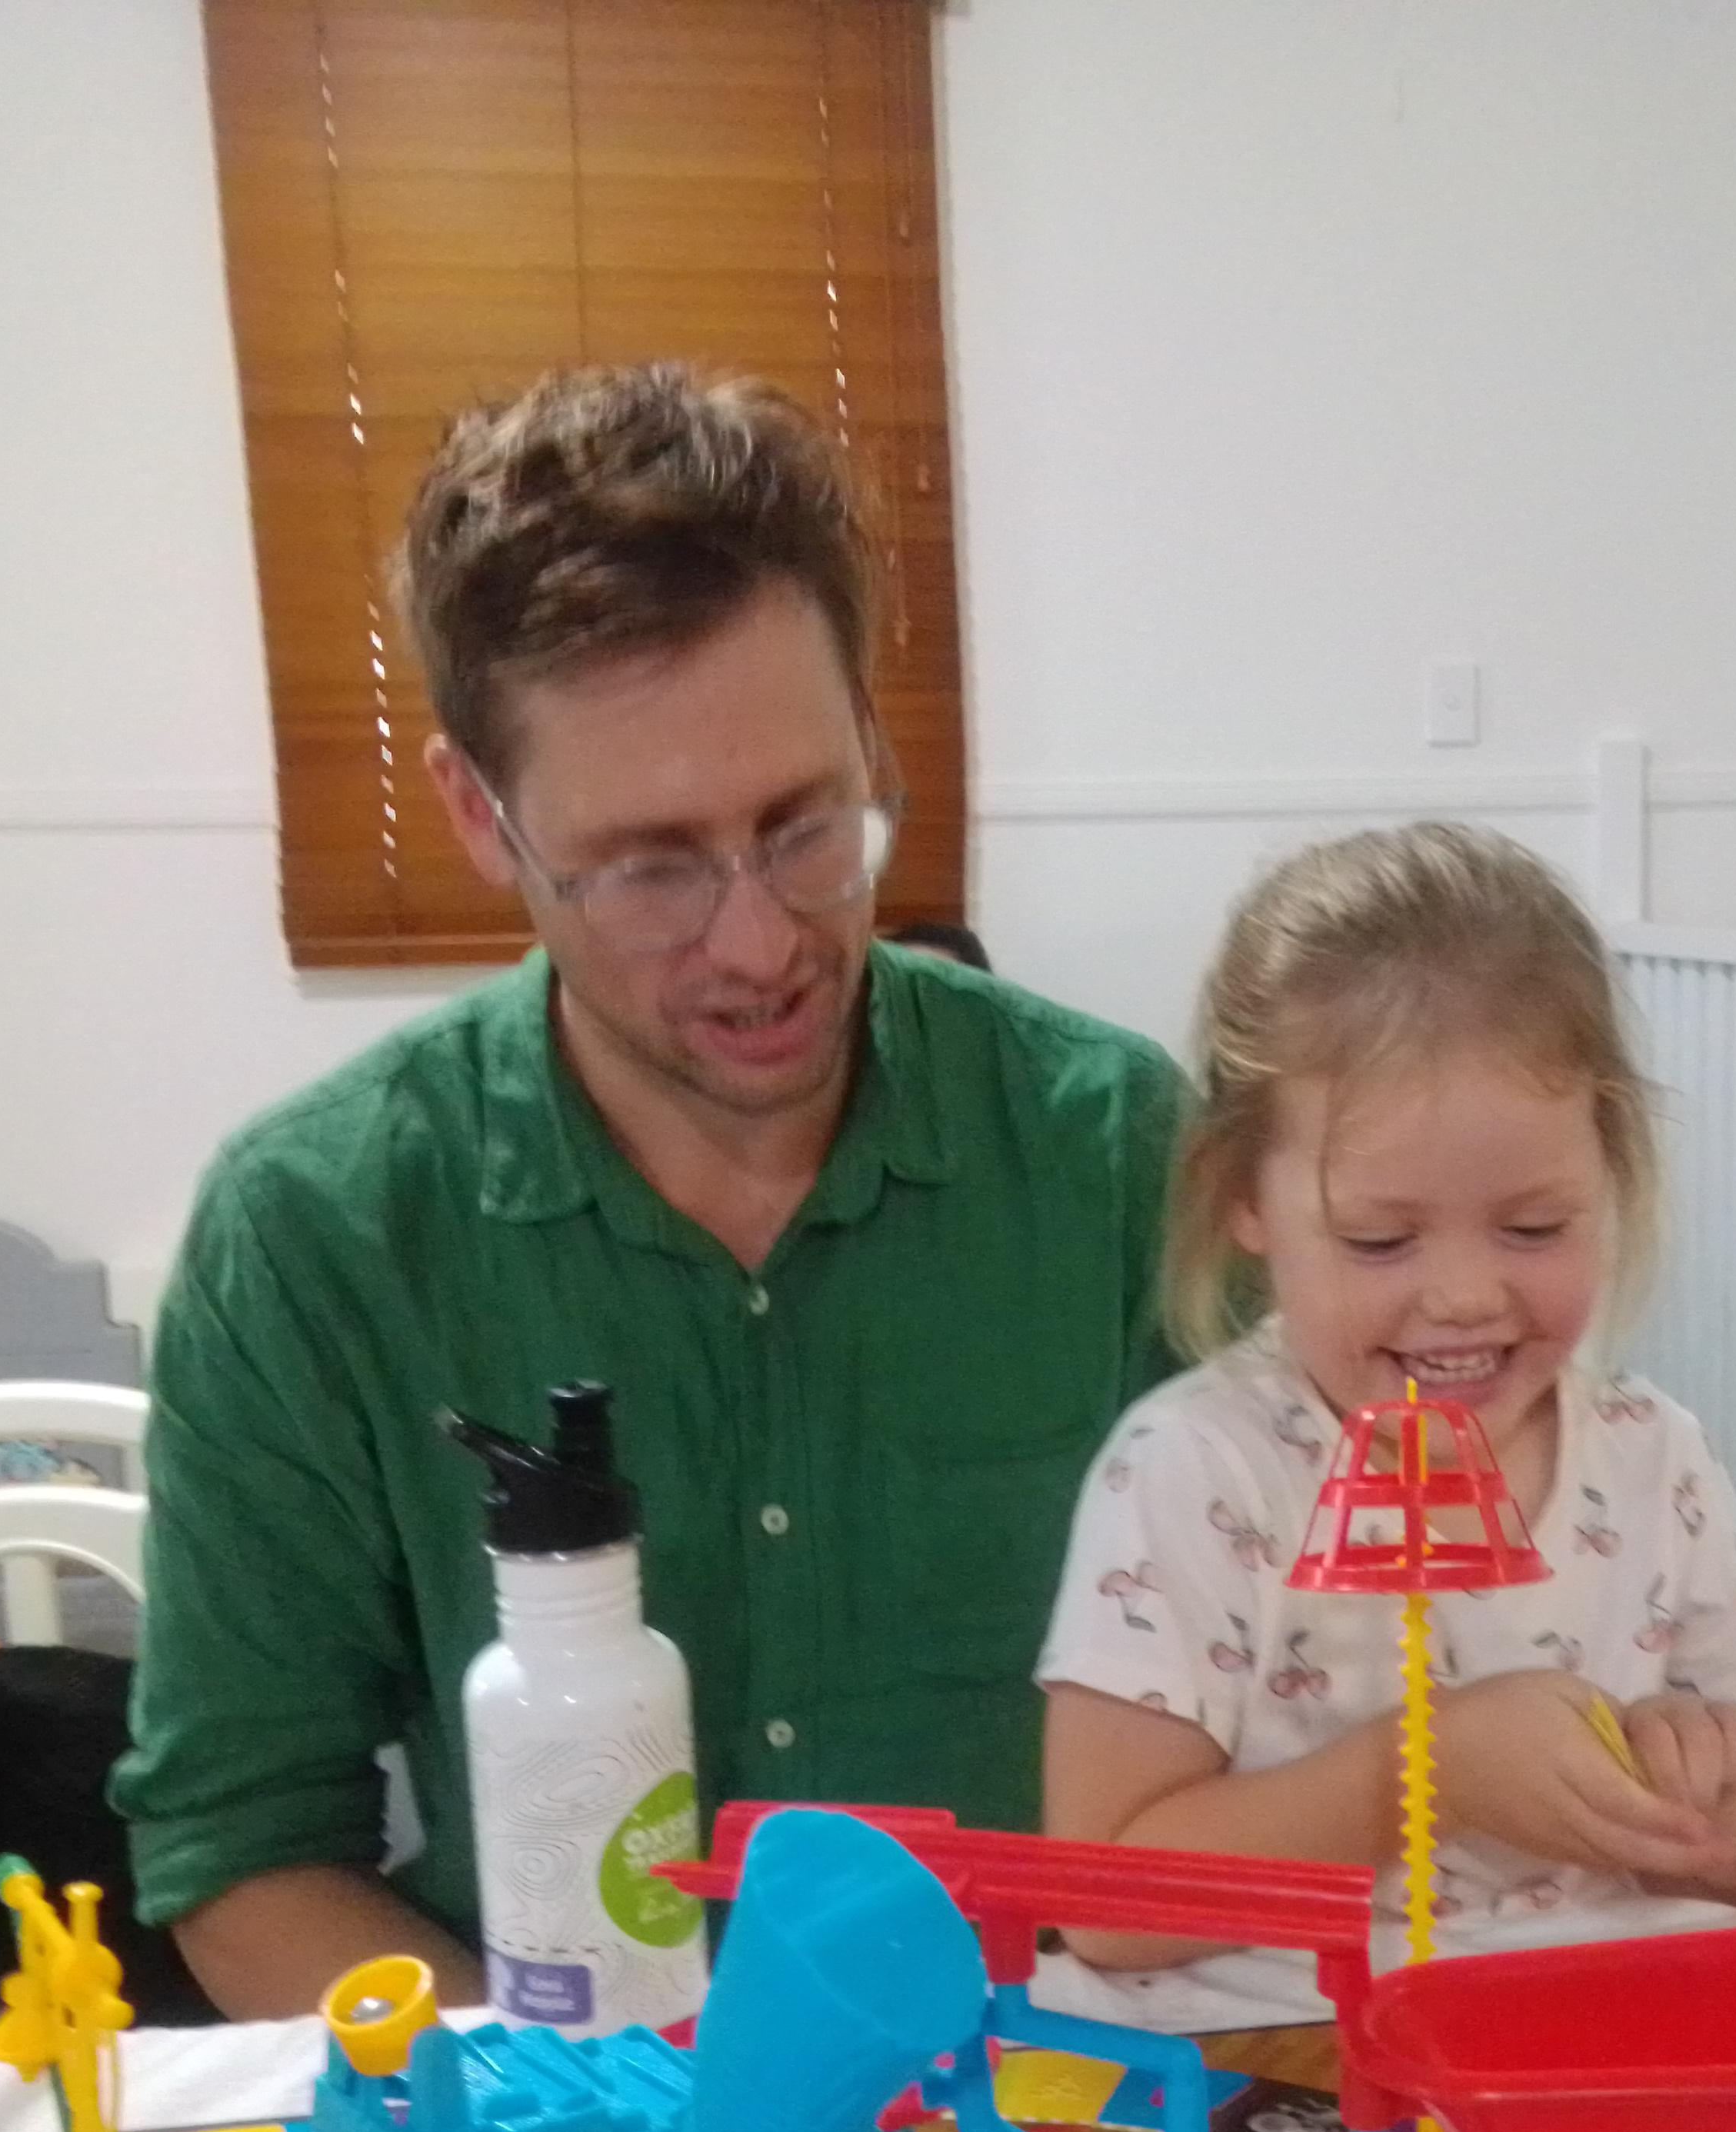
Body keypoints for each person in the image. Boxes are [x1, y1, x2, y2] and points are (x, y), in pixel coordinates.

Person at [115, 365, 1185, 2018]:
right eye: (649, 866)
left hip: (1053, 2090)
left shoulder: (1115, 1156)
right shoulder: (316, 1234)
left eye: (806, 826)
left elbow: (1301, 1713)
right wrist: (588, 2105)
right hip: (559, 2112)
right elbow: (242, 1848)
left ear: (871, 738)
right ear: (480, 815)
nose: (758, 944)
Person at [1034, 823, 1736, 2024]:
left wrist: (1690, 1767)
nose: (1465, 1295)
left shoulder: (1651, 1454)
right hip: (1266, 2031)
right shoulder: (1196, 1468)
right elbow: (1106, 1900)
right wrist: (1430, 1770)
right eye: (1381, 1239)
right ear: (1243, 1199)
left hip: (1579, 2013)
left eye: (1534, 1227)